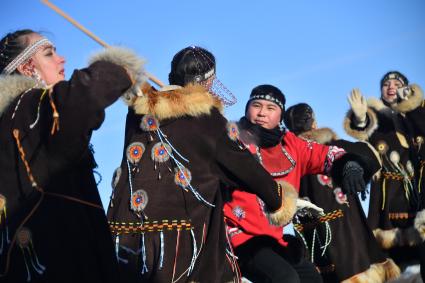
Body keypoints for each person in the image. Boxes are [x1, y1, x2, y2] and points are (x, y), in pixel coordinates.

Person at [106, 46, 289, 283]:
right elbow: (246, 169)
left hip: (127, 239)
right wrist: (279, 199)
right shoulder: (209, 121)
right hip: (179, 245)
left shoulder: (138, 114)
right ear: (204, 82)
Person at [0, 29, 145, 282]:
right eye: (49, 53)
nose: (61, 59)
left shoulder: (14, 118)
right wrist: (119, 68)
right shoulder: (30, 106)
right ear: (26, 67)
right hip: (59, 260)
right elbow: (79, 100)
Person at [223, 84, 373, 283]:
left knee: (312, 278)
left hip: (273, 238)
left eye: (270, 108)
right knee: (286, 279)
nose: (261, 113)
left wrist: (350, 165)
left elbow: (326, 154)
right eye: (256, 105)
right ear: (246, 108)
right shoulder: (229, 140)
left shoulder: (290, 144)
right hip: (238, 236)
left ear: (280, 115)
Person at [284, 102, 400, 282]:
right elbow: (373, 159)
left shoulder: (284, 157)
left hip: (315, 240)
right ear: (314, 123)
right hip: (350, 235)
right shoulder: (334, 148)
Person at [344, 71, 425, 280]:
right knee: (390, 268)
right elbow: (364, 139)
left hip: (419, 201)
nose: (390, 86)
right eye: (385, 84)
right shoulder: (378, 119)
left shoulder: (418, 115)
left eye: (397, 83)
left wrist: (411, 105)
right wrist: (362, 119)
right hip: (388, 205)